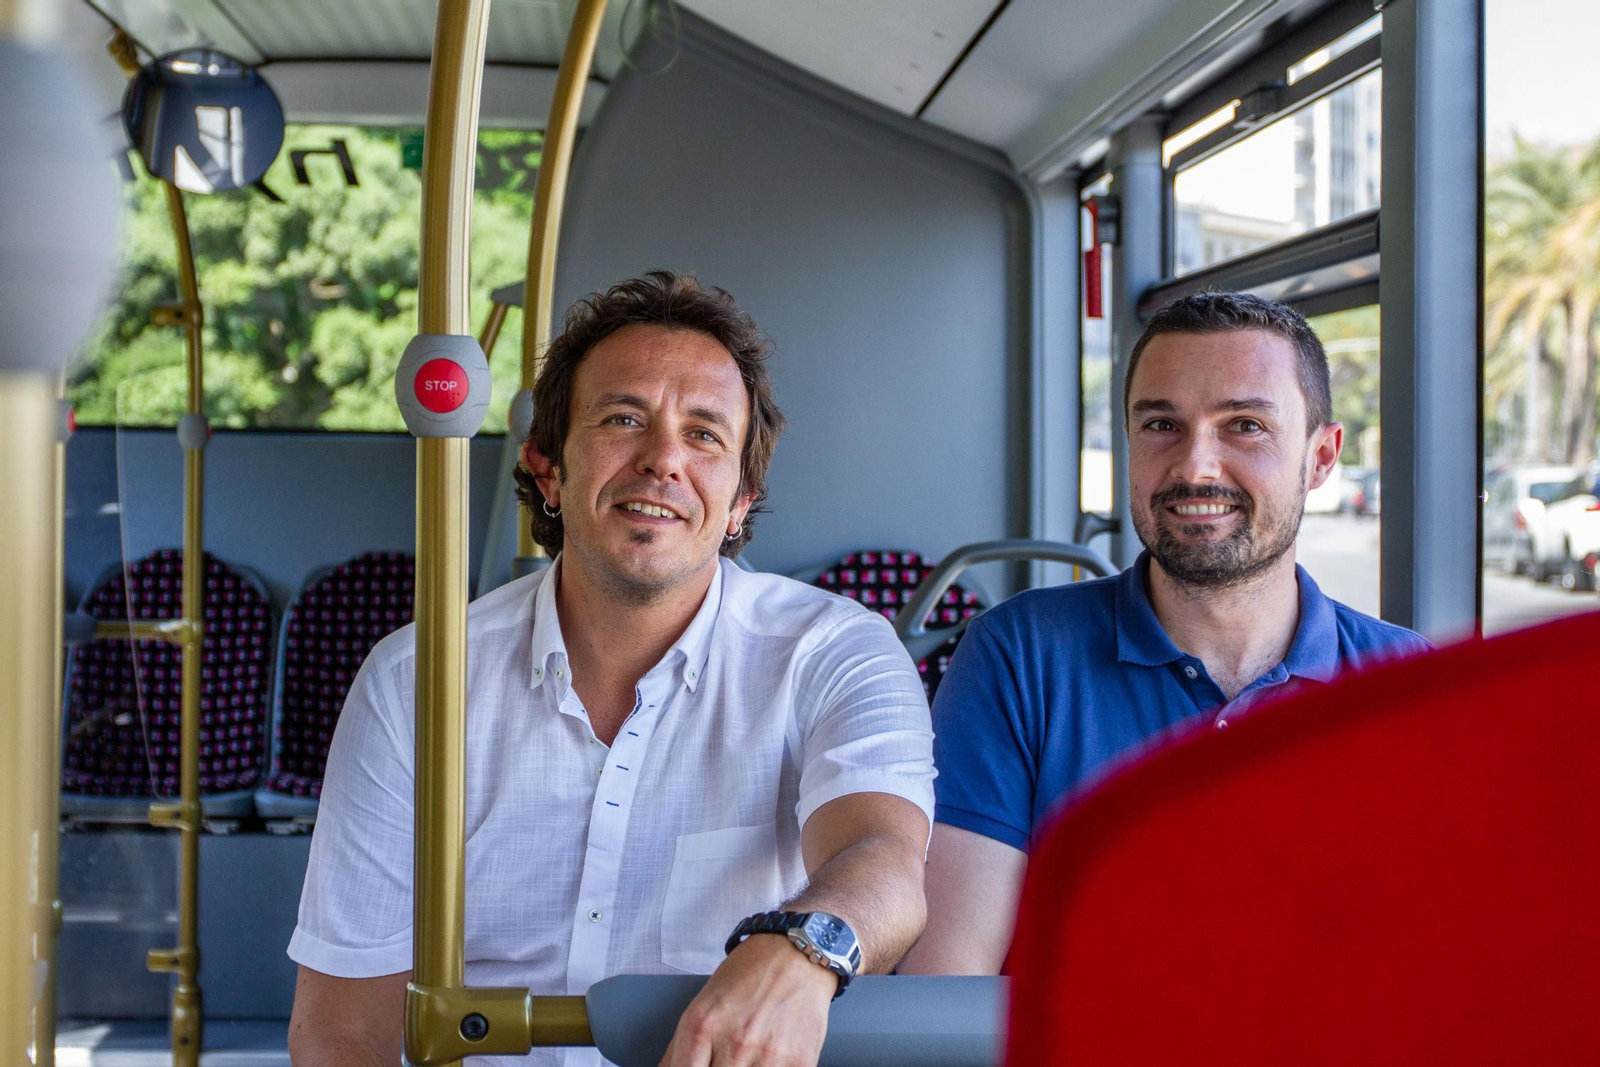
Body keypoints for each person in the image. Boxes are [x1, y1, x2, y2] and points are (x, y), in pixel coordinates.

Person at [287, 271, 935, 1066]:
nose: (663, 458)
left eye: (704, 434)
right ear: (548, 468)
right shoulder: (414, 682)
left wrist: (802, 946)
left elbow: (884, 861)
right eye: (623, 418)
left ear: (740, 501)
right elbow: (343, 1029)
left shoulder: (836, 654)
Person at [899, 291, 1431, 976]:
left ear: (1321, 458)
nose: (1196, 467)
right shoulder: (1017, 656)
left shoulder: (1407, 686)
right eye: (1161, 425)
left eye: (1244, 425)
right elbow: (950, 972)